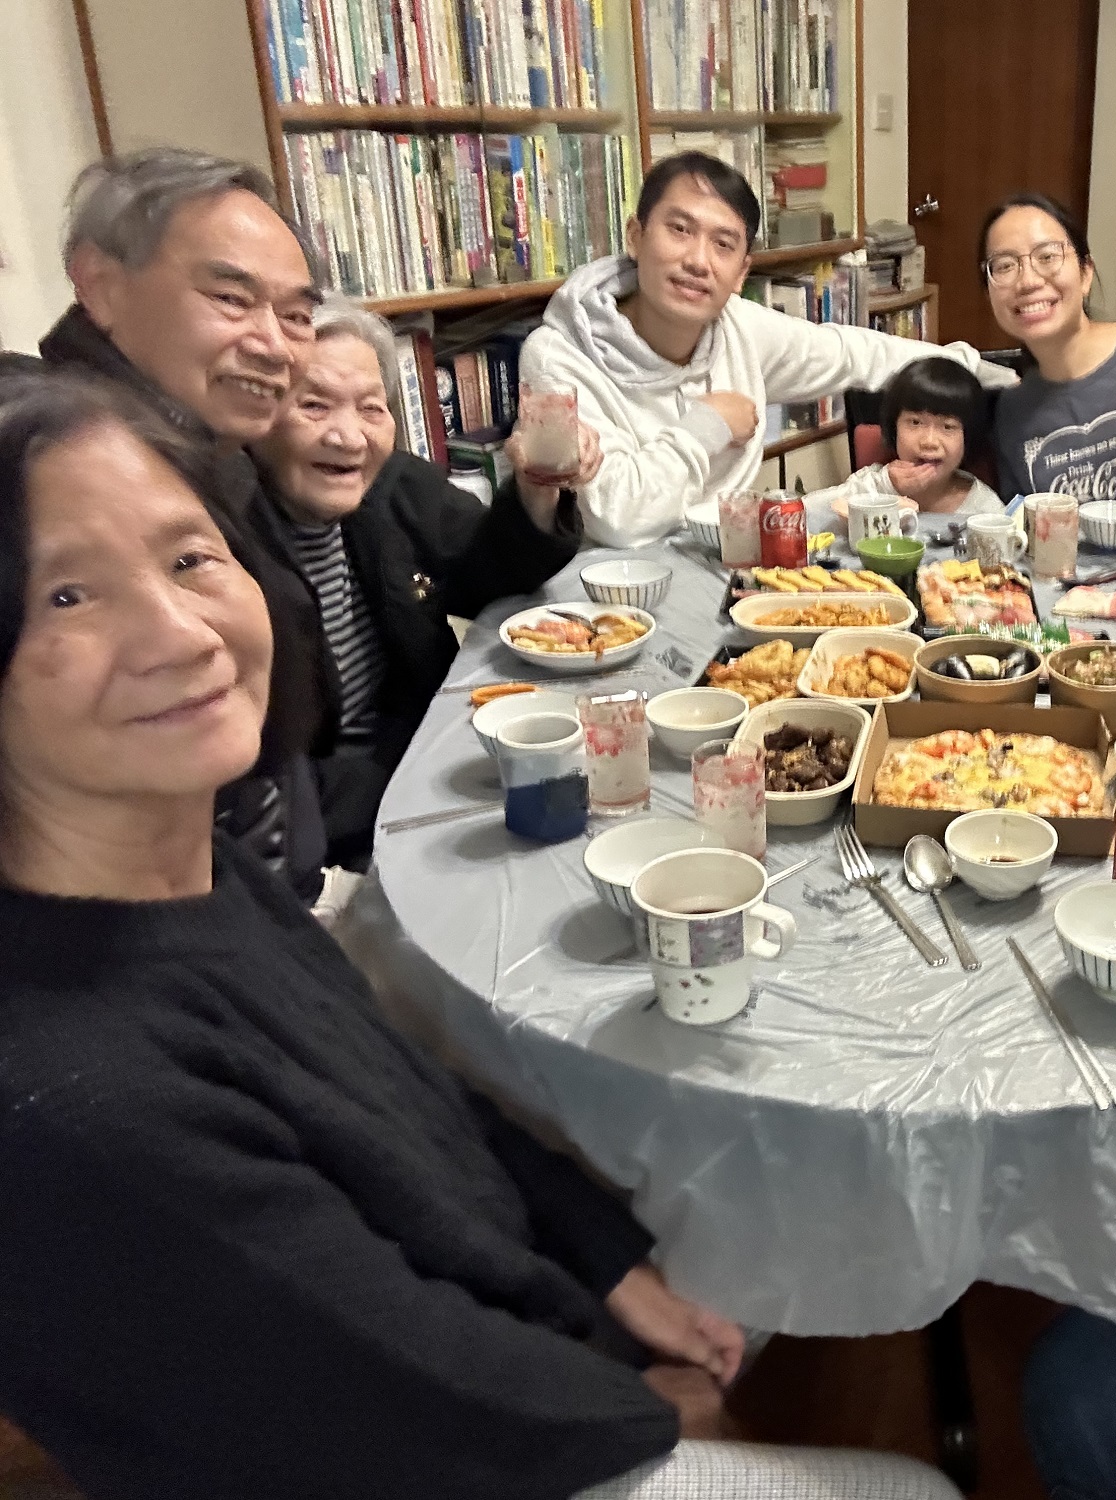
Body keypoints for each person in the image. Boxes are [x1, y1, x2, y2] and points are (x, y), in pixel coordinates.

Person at [0, 367, 962, 1500]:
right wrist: (639, 1413)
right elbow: (385, 1386)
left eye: (187, 559)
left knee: (778, 1210)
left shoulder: (199, 875)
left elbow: (416, 1105)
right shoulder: (71, 1100)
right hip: (446, 1452)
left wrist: (608, 1263)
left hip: (507, 1336)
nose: (178, 634)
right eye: (66, 595)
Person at [0, 147, 338, 900]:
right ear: (100, 285)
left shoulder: (218, 454)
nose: (274, 346)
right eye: (231, 299)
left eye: (297, 315)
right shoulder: (46, 458)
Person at [521, 151, 1014, 547]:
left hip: (731, 564)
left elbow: (855, 353)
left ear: (741, 272)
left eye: (723, 244)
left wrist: (990, 371)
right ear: (636, 236)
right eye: (680, 230)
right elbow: (619, 520)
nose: (698, 261)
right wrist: (708, 425)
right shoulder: (559, 357)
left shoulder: (739, 326)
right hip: (612, 592)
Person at [250, 298, 588, 869]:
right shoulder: (227, 546)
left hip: (426, 762)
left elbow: (489, 570)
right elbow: (267, 786)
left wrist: (536, 485)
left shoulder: (391, 486)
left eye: (371, 408)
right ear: (256, 417)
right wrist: (430, 776)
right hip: (334, 833)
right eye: (314, 405)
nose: (349, 436)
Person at [982, 192, 1116, 529]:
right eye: (1005, 266)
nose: (1028, 281)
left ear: (1085, 273)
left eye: (1047, 256)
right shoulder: (1011, 413)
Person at [805, 356, 1003, 515]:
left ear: (968, 437)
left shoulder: (984, 506)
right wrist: (886, 486)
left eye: (948, 427)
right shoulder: (873, 485)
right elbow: (805, 510)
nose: (929, 442)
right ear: (894, 428)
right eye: (915, 422)